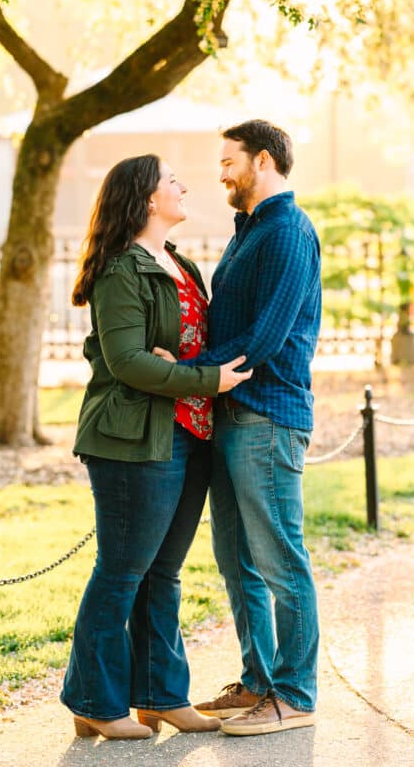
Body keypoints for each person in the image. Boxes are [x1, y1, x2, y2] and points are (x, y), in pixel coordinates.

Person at [60, 154, 251, 740]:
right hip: (133, 440)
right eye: (173, 180)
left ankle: (161, 696)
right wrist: (202, 380)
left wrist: (185, 368)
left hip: (189, 434)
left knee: (161, 574)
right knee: (121, 573)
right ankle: (93, 700)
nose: (185, 185)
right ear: (145, 197)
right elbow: (126, 361)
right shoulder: (120, 270)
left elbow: (180, 348)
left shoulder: (182, 264)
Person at [155, 120, 322, 736]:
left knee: (280, 558)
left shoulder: (286, 232)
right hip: (229, 416)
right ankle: (259, 682)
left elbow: (266, 339)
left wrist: (187, 370)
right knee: (236, 560)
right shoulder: (249, 229)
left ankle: (296, 695)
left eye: (230, 161)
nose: (220, 172)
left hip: (268, 418)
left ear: (263, 161)